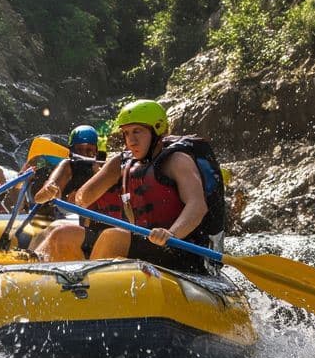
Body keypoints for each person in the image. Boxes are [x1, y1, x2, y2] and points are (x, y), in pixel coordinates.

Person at [33, 100, 215, 272]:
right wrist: (63, 187)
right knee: (63, 233)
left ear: (158, 131)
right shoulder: (122, 162)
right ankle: (34, 280)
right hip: (142, 241)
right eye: (126, 133)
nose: (131, 141)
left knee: (113, 237)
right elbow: (83, 199)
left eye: (137, 131)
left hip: (177, 246)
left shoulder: (177, 160)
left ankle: (87, 293)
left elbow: (197, 206)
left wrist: (171, 234)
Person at [28, 124, 123, 255]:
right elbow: (39, 197)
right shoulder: (69, 165)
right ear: (71, 151)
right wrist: (48, 191)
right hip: (88, 232)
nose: (85, 155)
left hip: (114, 235)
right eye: (80, 150)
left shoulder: (111, 166)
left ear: (96, 150)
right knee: (50, 229)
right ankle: (29, 264)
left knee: (61, 232)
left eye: (89, 150)